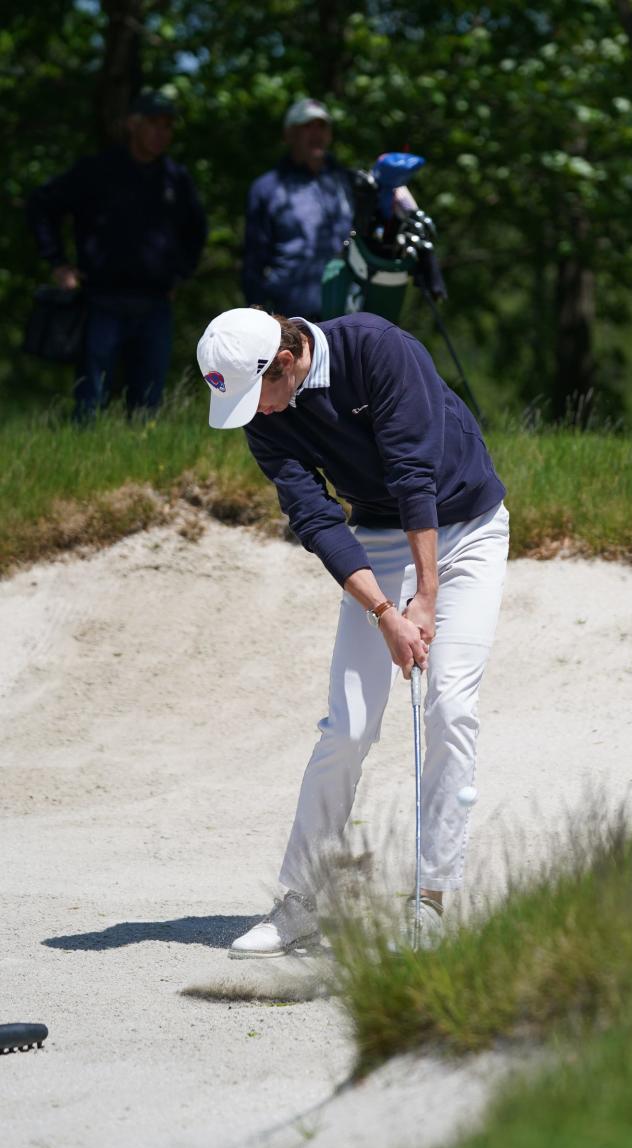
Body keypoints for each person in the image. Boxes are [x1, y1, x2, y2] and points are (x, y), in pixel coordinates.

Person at [196, 306, 509, 956]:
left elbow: (413, 474)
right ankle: (301, 903)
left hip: (467, 528)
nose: (261, 413)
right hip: (379, 535)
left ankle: (432, 901)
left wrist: (426, 596)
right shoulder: (264, 420)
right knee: (348, 726)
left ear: (286, 360)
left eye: (263, 395)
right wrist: (386, 613)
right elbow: (316, 519)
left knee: (449, 703)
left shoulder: (376, 350)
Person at [27, 90, 207, 422]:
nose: (161, 132)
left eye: (167, 126)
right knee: (90, 398)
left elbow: (196, 231)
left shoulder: (175, 179)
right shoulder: (97, 170)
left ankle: (142, 467)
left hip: (155, 303)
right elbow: (41, 204)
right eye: (154, 123)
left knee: (149, 403)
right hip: (101, 300)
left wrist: (179, 274)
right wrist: (57, 263)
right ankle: (84, 464)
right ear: (132, 125)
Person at [242, 98, 355, 320]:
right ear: (288, 135)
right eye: (307, 126)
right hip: (292, 318)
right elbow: (254, 262)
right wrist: (257, 316)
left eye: (322, 126)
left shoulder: (347, 181)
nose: (316, 134)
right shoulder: (267, 188)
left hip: (349, 312)